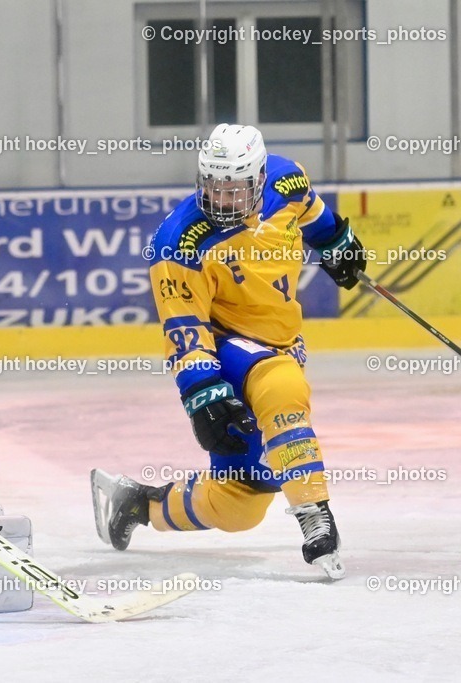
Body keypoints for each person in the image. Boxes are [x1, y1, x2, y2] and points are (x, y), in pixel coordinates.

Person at [91, 124, 366, 580]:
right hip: (228, 351)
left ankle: (136, 504)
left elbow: (313, 214)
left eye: (234, 189)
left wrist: (336, 242)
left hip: (281, 341)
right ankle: (314, 513)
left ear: (259, 179)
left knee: (239, 504)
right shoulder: (179, 243)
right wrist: (205, 397)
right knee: (283, 387)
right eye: (213, 187)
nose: (221, 200)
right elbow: (184, 330)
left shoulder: (288, 180)